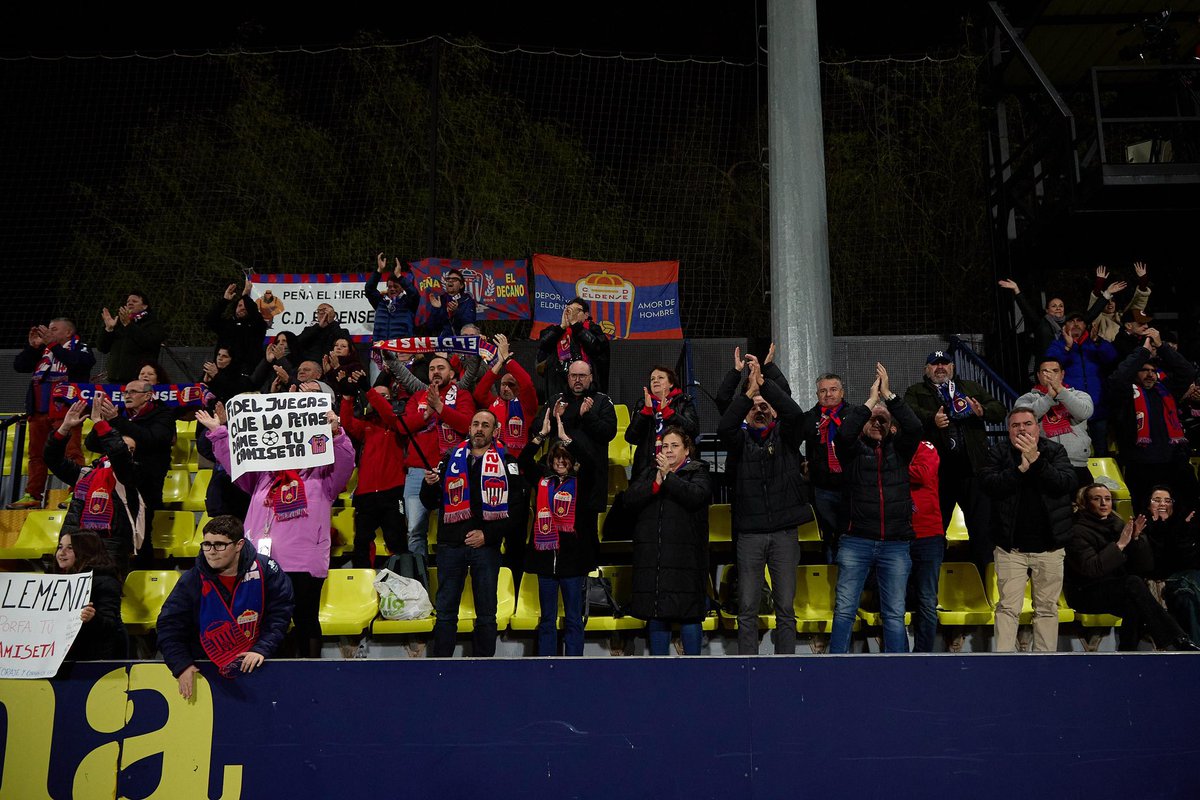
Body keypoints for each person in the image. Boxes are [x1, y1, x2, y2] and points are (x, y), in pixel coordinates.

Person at [197, 403, 354, 659]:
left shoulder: (322, 476)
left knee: (305, 620)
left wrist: (336, 434)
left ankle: (310, 675)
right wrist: (220, 433)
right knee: (260, 624)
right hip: (259, 562)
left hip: (302, 564)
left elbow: (346, 462)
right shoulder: (263, 476)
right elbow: (235, 465)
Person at [717, 355, 808, 655]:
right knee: (747, 608)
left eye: (764, 407)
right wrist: (748, 394)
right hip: (750, 535)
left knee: (785, 608)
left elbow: (795, 415)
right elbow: (725, 427)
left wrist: (765, 386)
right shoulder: (738, 443)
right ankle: (747, 666)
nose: (760, 410)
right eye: (754, 407)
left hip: (784, 534)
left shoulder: (787, 438)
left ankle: (784, 667)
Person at [831, 363, 922, 654]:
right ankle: (834, 668)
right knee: (845, 611)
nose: (877, 423)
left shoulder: (901, 450)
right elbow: (843, 434)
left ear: (892, 426)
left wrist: (889, 396)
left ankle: (899, 671)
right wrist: (871, 402)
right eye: (872, 419)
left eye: (883, 420)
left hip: (895, 543)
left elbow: (916, 427)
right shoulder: (852, 451)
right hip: (856, 541)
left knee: (894, 614)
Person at [420, 410, 525, 657]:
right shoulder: (449, 460)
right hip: (450, 545)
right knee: (445, 612)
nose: (479, 429)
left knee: (487, 614)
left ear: (495, 431)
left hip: (486, 548)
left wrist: (487, 536)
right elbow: (430, 502)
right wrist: (429, 484)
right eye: (476, 424)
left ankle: (484, 669)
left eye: (485, 425)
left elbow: (517, 510)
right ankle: (441, 669)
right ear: (469, 428)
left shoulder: (507, 460)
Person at [156, 515, 295, 699]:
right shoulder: (192, 579)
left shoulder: (266, 569)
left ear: (238, 545)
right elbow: (169, 625)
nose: (212, 551)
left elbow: (280, 615)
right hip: (206, 664)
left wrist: (262, 649)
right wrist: (182, 665)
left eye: (220, 544)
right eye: (207, 544)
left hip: (259, 659)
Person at [979, 406, 1078, 652]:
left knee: (1047, 609)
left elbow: (1065, 484)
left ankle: (1045, 662)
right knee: (1007, 608)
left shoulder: (1055, 451)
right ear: (1008, 431)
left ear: (1038, 427)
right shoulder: (998, 453)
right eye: (1015, 425)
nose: (1021, 429)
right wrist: (1020, 470)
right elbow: (989, 485)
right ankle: (1004, 661)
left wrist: (1036, 461)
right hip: (1011, 548)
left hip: (1050, 548)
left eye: (1027, 424)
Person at [904, 350, 1007, 573]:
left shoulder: (970, 388)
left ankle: (984, 583)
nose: (940, 368)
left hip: (973, 471)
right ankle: (932, 584)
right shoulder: (915, 391)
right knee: (933, 533)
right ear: (926, 370)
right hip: (936, 476)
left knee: (982, 531)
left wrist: (983, 411)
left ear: (952, 367)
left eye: (945, 363)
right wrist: (931, 419)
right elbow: (906, 413)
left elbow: (1000, 410)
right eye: (934, 364)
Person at [1065, 484, 1198, 651]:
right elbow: (1092, 568)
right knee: (1132, 583)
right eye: (1096, 499)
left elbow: (1144, 566)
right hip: (1084, 592)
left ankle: (1128, 653)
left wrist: (1136, 540)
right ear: (1085, 503)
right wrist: (1119, 545)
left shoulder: (1118, 524)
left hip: (1115, 589)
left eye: (1107, 499)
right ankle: (1176, 638)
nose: (1103, 503)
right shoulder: (1077, 531)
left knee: (1133, 603)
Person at [519, 408, 600, 656]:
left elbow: (592, 463)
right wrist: (541, 436)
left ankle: (574, 663)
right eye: (556, 458)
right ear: (550, 461)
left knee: (574, 619)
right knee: (547, 619)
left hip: (573, 564)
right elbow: (523, 461)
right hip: (546, 562)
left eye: (565, 458)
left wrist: (566, 439)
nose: (561, 461)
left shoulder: (581, 484)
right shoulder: (542, 481)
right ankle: (547, 663)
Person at [622, 427, 710, 655]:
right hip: (654, 561)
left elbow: (695, 496)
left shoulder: (698, 471)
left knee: (689, 615)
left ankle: (694, 671)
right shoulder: (649, 473)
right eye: (665, 446)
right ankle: (658, 672)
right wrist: (656, 483)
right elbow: (629, 500)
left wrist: (669, 477)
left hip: (686, 561)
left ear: (687, 450)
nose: (669, 451)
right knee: (657, 614)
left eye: (675, 446)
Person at [1108, 329, 1200, 511]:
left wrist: (1161, 346)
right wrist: (1143, 351)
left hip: (1171, 461)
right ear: (1135, 373)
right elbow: (1118, 377)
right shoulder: (1125, 393)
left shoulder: (1167, 390)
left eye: (1153, 371)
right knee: (1145, 514)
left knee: (1184, 509)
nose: (1150, 375)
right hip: (1140, 465)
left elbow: (1187, 371)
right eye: (1144, 370)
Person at [48, 398, 144, 569]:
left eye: (131, 450)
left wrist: (101, 423)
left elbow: (120, 457)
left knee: (104, 592)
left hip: (110, 549)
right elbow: (52, 460)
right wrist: (65, 427)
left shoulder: (134, 476)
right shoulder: (87, 474)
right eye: (124, 447)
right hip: (75, 545)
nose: (126, 452)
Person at [10, 317, 95, 509]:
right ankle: (32, 495)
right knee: (36, 455)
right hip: (39, 411)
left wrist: (54, 345)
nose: (48, 332)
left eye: (54, 329)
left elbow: (77, 364)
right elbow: (19, 366)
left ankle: (76, 492)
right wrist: (32, 347)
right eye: (48, 329)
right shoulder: (42, 350)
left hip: (67, 411)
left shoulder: (80, 347)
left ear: (68, 333)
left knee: (71, 453)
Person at [401, 355, 477, 557]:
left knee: (455, 529)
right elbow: (404, 427)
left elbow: (467, 426)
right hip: (418, 471)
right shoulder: (418, 397)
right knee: (415, 531)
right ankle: (419, 583)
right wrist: (425, 415)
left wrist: (441, 408)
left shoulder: (462, 396)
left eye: (441, 367)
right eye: (432, 368)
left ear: (451, 373)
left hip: (452, 470)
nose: (435, 371)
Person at [548, 359, 617, 546]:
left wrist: (587, 416)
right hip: (558, 481)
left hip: (590, 481)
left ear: (591, 378)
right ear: (568, 377)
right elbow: (542, 428)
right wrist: (558, 418)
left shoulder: (602, 401)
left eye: (582, 376)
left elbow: (608, 433)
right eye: (573, 376)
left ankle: (589, 575)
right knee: (557, 536)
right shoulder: (557, 400)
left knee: (587, 537)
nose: (577, 380)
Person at [340, 383, 409, 568]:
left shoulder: (398, 423)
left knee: (396, 539)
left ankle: (403, 582)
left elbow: (388, 414)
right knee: (362, 541)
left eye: (384, 396)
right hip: (366, 493)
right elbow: (346, 423)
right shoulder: (366, 425)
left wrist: (371, 393)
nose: (378, 399)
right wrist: (347, 399)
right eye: (376, 396)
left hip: (393, 491)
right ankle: (362, 585)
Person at [86, 378, 175, 519]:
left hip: (147, 481)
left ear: (147, 395)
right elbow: (92, 445)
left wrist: (116, 420)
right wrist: (100, 423)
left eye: (133, 392)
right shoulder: (119, 414)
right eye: (125, 392)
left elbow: (153, 439)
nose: (127, 395)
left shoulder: (163, 415)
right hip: (114, 479)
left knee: (143, 531)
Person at [1015, 356, 1095, 488]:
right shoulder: (1028, 398)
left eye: (1055, 371)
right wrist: (1049, 398)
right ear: (1039, 375)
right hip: (1042, 463)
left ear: (1062, 374)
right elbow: (1023, 418)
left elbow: (1084, 412)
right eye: (1045, 372)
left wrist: (1061, 392)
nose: (1050, 375)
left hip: (1077, 464)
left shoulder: (1080, 395)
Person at [1046, 310, 1119, 455]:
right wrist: (1067, 347)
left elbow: (1112, 359)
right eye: (1071, 321)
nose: (1075, 324)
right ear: (1064, 325)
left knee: (1101, 450)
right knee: (1075, 450)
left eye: (1079, 321)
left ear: (1086, 325)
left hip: (1099, 406)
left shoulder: (1095, 342)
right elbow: (1050, 366)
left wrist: (1097, 342)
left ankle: (1103, 478)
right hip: (1072, 411)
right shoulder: (1058, 344)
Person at [50, 532, 127, 661]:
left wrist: (93, 618)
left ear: (86, 551)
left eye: (70, 548)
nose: (61, 553)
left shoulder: (106, 582)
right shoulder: (57, 582)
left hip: (97, 657)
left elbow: (110, 625)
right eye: (60, 547)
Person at [801, 372, 850, 561]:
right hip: (822, 488)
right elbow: (788, 442)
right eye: (823, 391)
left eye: (833, 390)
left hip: (850, 488)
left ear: (842, 393)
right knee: (829, 536)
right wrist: (801, 463)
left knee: (850, 537)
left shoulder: (855, 415)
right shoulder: (809, 418)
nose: (828, 394)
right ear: (817, 394)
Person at [1143, 486, 1200, 642]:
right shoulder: (1140, 527)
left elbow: (1190, 560)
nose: (1162, 504)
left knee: (1187, 596)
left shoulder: (1182, 526)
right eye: (1157, 500)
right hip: (1165, 579)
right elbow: (1152, 566)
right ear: (1148, 505)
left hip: (1185, 579)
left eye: (1167, 501)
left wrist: (1184, 532)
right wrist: (1157, 529)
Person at [624, 365, 699, 481]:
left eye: (660, 377)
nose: (655, 381)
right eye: (652, 379)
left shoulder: (683, 401)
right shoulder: (643, 403)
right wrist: (645, 413)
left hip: (677, 467)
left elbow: (693, 430)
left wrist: (670, 414)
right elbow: (630, 437)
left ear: (671, 383)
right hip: (646, 467)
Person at [472, 334, 538, 460]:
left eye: (511, 385)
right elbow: (479, 394)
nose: (506, 388)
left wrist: (507, 359)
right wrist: (499, 363)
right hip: (492, 462)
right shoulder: (494, 402)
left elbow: (528, 384)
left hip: (518, 464)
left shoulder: (527, 406)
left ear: (519, 388)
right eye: (503, 384)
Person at [907, 439, 943, 653]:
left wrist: (894, 466)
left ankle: (923, 655)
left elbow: (923, 474)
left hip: (928, 534)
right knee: (892, 602)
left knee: (927, 601)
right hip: (896, 536)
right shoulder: (884, 447)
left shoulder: (925, 446)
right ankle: (897, 655)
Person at [536, 297, 611, 400]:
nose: (572, 314)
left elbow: (596, 347)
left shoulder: (594, 330)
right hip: (559, 391)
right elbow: (542, 346)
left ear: (586, 315)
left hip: (589, 393)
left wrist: (576, 325)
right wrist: (562, 327)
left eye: (578, 311)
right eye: (569, 310)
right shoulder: (555, 331)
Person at [97, 291, 167, 383]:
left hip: (138, 380)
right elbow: (103, 348)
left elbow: (149, 343)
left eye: (134, 301)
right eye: (128, 301)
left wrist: (129, 325)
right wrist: (108, 329)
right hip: (114, 379)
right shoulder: (118, 323)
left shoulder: (153, 323)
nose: (130, 303)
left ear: (145, 306)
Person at [205, 280, 267, 374]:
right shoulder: (228, 325)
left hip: (243, 374)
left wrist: (245, 296)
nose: (242, 308)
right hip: (221, 372)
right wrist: (225, 300)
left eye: (246, 306)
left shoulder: (255, 328)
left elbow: (259, 321)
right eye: (239, 305)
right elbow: (211, 320)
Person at [1090, 263, 1151, 344]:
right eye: (1107, 302)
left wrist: (1143, 279)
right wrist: (1099, 282)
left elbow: (1139, 303)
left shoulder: (1122, 316)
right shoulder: (1098, 318)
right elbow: (1094, 306)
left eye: (1113, 301)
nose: (1110, 304)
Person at [365, 253, 419, 341]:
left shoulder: (408, 302)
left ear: (402, 288)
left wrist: (399, 276)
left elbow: (414, 293)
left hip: (402, 348)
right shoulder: (380, 302)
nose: (392, 289)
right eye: (389, 287)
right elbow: (369, 289)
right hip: (381, 347)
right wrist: (379, 271)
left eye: (396, 286)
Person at [421, 268, 477, 337]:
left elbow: (469, 325)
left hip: (460, 342)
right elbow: (431, 327)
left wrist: (456, 312)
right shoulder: (440, 300)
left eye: (454, 279)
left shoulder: (468, 301)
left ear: (461, 285)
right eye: (448, 279)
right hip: (442, 343)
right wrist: (437, 309)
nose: (450, 281)